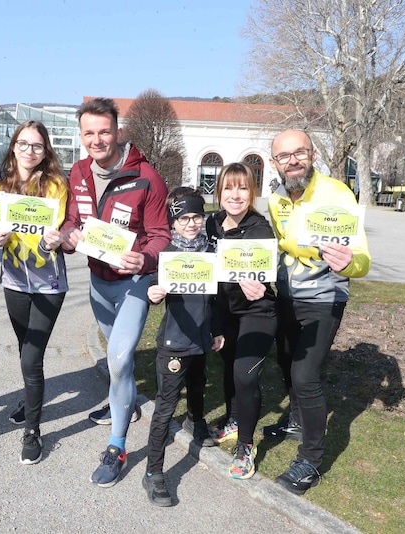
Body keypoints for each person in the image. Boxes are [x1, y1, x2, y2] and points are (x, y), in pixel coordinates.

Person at [61, 97, 170, 488]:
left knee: (120, 358)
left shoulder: (147, 177)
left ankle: (117, 446)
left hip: (133, 285)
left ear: (117, 131)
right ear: (81, 136)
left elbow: (161, 236)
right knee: (116, 365)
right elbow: (73, 221)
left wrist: (145, 259)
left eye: (104, 131)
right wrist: (67, 236)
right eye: (89, 133)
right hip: (98, 285)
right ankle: (123, 404)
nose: (97, 139)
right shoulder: (76, 172)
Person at [265, 129, 371, 495]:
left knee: (305, 375)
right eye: (284, 156)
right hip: (286, 295)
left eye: (300, 153)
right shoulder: (276, 196)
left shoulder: (335, 193)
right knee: (285, 362)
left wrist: (348, 263)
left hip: (325, 296)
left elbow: (362, 258)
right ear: (273, 162)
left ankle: (310, 460)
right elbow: (279, 245)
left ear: (312, 154)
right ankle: (296, 420)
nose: (293, 161)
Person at [0, 121, 69, 465]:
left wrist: (56, 237)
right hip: (14, 281)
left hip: (49, 282)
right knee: (24, 349)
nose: (29, 151)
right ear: (13, 146)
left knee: (32, 356)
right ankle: (29, 400)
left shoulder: (55, 185)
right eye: (23, 144)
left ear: (45, 150)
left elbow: (59, 223)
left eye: (37, 145)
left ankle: (33, 430)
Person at [142, 188, 224, 506]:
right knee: (165, 407)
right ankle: (153, 472)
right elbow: (150, 284)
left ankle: (195, 422)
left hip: (202, 340)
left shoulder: (211, 251)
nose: (191, 223)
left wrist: (216, 330)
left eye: (197, 216)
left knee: (199, 385)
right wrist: (153, 292)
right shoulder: (167, 253)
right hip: (174, 343)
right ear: (173, 221)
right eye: (184, 218)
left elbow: (214, 298)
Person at [206, 162, 278, 480]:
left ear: (252, 192)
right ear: (219, 191)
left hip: (257, 312)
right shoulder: (211, 224)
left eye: (243, 188)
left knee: (244, 375)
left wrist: (260, 284)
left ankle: (246, 446)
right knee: (229, 368)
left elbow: (268, 272)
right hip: (224, 312)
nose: (235, 195)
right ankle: (234, 421)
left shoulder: (260, 230)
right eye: (229, 187)